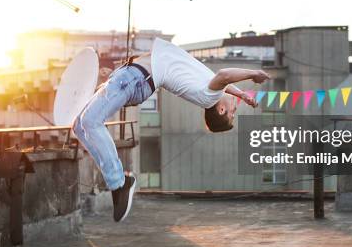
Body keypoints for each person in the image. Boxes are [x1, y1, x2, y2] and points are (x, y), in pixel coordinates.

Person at [72, 38, 270, 222]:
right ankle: (117, 181)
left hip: (135, 79)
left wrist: (253, 74)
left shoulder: (209, 95)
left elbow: (225, 76)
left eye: (232, 114)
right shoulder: (208, 86)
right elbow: (225, 83)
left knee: (90, 122)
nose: (235, 110)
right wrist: (243, 94)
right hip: (131, 76)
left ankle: (119, 183)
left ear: (221, 109)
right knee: (79, 125)